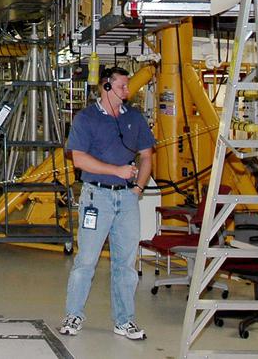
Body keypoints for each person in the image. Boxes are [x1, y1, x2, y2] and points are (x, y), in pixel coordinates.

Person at [59, 65, 155, 340]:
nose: (128, 91)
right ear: (106, 86)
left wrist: (137, 187)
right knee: (86, 260)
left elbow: (147, 155)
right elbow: (79, 159)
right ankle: (73, 314)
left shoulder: (134, 119)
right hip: (96, 197)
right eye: (123, 86)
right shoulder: (86, 119)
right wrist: (117, 171)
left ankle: (124, 320)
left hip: (127, 199)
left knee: (125, 264)